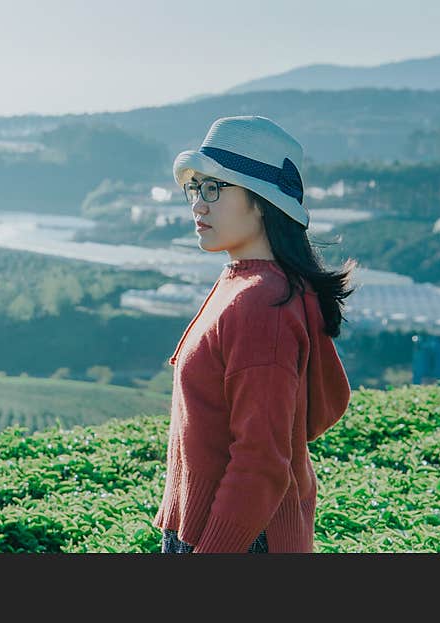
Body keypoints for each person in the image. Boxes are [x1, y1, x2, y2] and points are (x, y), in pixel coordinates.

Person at [152, 115, 357, 553]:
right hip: (215, 530)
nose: (198, 204)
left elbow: (261, 460)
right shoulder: (248, 282)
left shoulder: (264, 303)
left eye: (214, 188)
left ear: (262, 201)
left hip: (233, 539)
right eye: (196, 188)